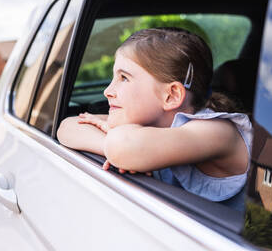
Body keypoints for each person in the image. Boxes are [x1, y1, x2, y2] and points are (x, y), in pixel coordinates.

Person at [57, 27, 252, 210]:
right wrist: (113, 148)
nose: (107, 91)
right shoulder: (149, 122)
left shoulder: (218, 131)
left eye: (124, 78)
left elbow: (122, 146)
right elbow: (67, 127)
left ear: (171, 96)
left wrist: (121, 148)